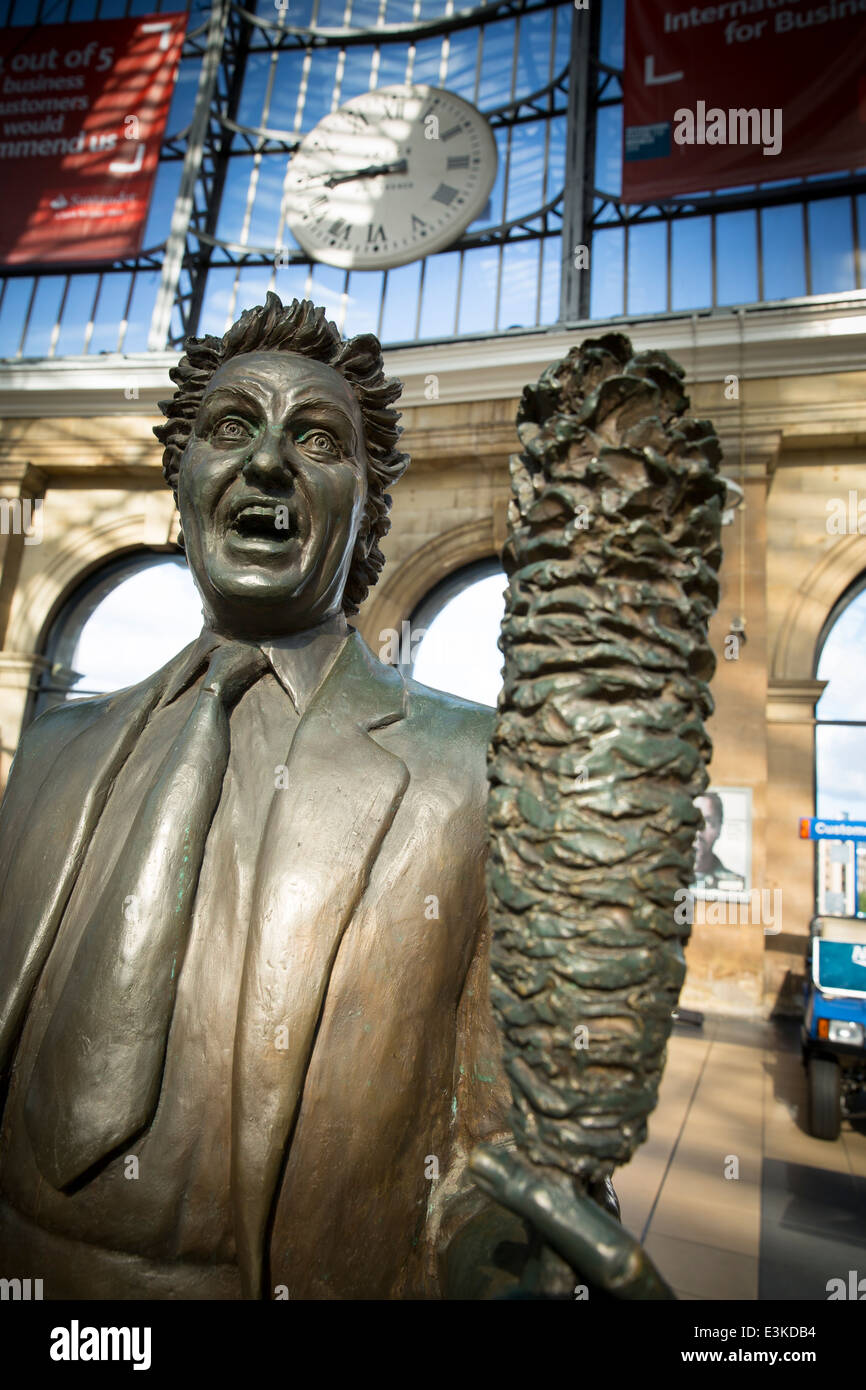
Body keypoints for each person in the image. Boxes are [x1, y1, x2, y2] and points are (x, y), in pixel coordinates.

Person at [0, 294, 665, 1300]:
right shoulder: (48, 748)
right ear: (176, 479)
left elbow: (494, 1166)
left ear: (363, 511)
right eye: (231, 428)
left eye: (316, 439)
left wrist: (510, 1268)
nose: (266, 462)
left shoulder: (476, 768)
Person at [693, 791, 745, 893]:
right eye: (693, 820)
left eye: (708, 822)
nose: (698, 832)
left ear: (719, 828)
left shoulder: (737, 884)